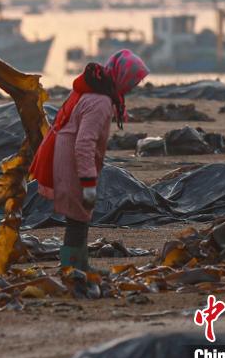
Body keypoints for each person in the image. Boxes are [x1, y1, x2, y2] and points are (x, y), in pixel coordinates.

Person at [30, 49, 149, 270]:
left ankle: (77, 264)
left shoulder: (96, 92)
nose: (136, 85)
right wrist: (88, 183)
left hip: (63, 155)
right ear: (122, 77)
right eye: (134, 80)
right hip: (71, 162)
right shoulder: (100, 102)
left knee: (79, 217)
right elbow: (84, 143)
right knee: (78, 218)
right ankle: (74, 268)